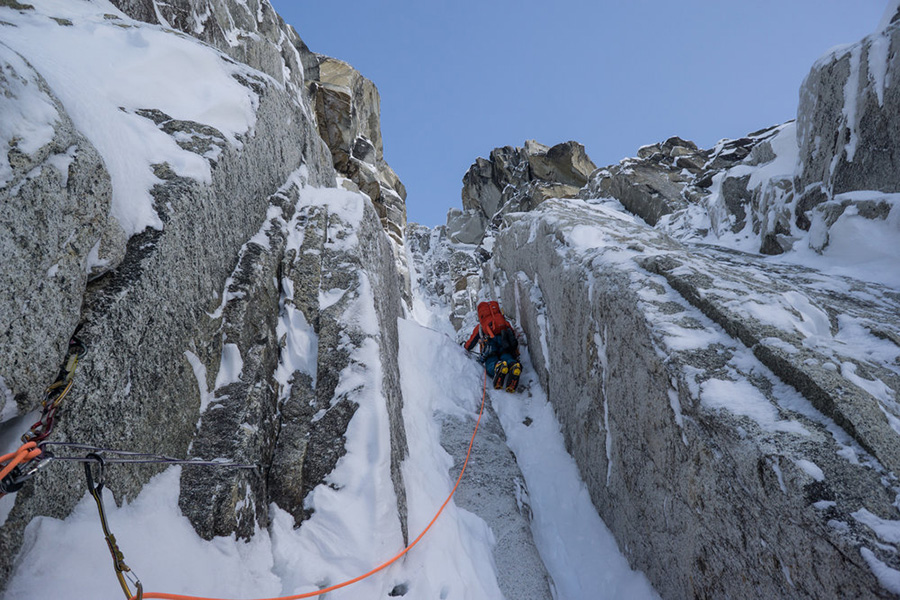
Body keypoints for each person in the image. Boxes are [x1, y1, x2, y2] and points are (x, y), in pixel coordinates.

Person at [463, 301, 522, 392]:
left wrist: (466, 347)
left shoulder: (481, 326)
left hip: (490, 344)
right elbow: (511, 333)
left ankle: (498, 367)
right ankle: (513, 365)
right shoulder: (503, 322)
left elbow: (472, 341)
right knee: (506, 355)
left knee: (491, 359)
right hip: (504, 341)